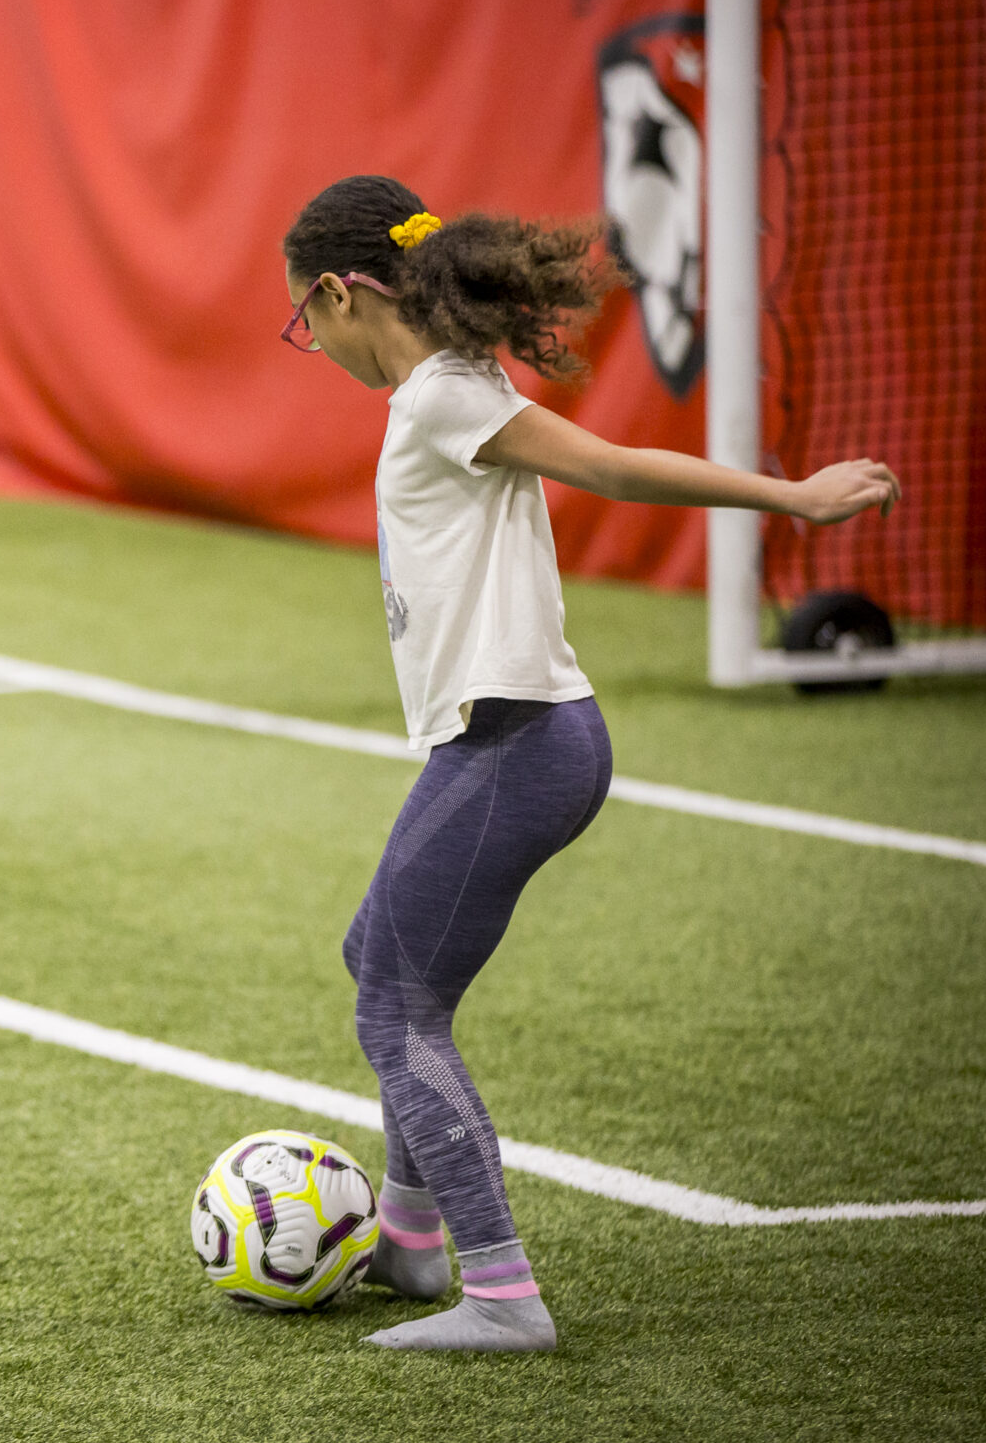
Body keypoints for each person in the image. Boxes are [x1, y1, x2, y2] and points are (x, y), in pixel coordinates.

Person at [279, 175, 897, 1352]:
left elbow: (608, 466)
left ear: (340, 293)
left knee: (396, 1006)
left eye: (305, 320)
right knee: (378, 959)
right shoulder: (450, 386)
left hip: (518, 744)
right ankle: (408, 1241)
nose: (313, 343)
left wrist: (793, 500)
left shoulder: (439, 397)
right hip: (507, 741)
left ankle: (501, 1298)